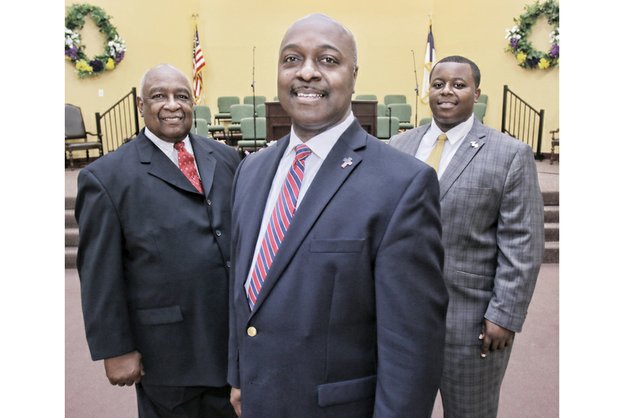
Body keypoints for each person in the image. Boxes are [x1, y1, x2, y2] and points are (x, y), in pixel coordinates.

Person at [227, 14, 448, 418]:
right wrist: (239, 375)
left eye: (328, 61)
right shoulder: (251, 170)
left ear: (354, 74)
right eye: (292, 59)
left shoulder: (403, 184)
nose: (307, 72)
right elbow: (243, 288)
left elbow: (412, 345)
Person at [75, 64, 239, 418]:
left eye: (182, 96)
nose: (172, 105)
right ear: (139, 105)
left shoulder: (226, 158)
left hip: (232, 344)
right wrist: (115, 348)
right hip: (169, 354)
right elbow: (99, 273)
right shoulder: (106, 177)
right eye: (159, 96)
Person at [389, 55, 545, 418]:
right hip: (399, 319)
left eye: (458, 85)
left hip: (471, 319)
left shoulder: (509, 154)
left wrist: (505, 314)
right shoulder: (397, 148)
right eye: (439, 83)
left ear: (476, 92)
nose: (447, 91)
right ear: (428, 91)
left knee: (470, 412)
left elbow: (523, 242)